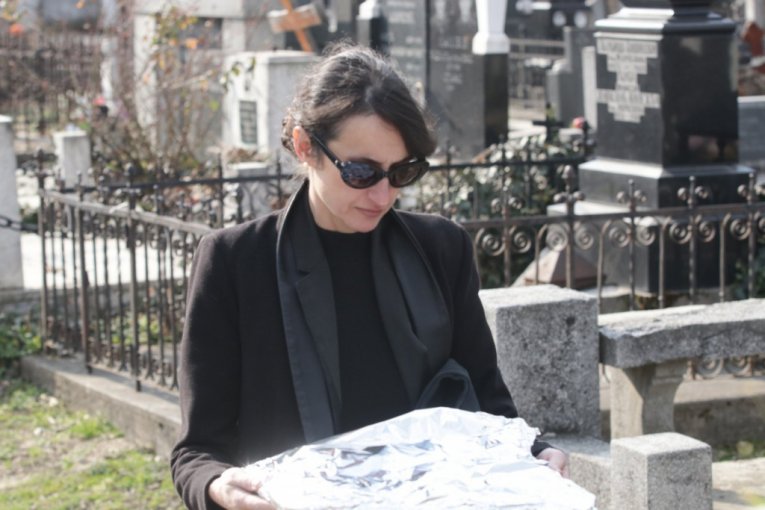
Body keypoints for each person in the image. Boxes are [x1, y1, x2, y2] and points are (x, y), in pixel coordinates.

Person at [171, 42, 568, 510]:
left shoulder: (442, 249)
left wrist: (535, 452)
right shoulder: (234, 262)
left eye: (402, 171)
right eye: (361, 172)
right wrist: (216, 485)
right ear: (305, 146)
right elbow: (197, 452)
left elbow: (487, 402)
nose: (383, 195)